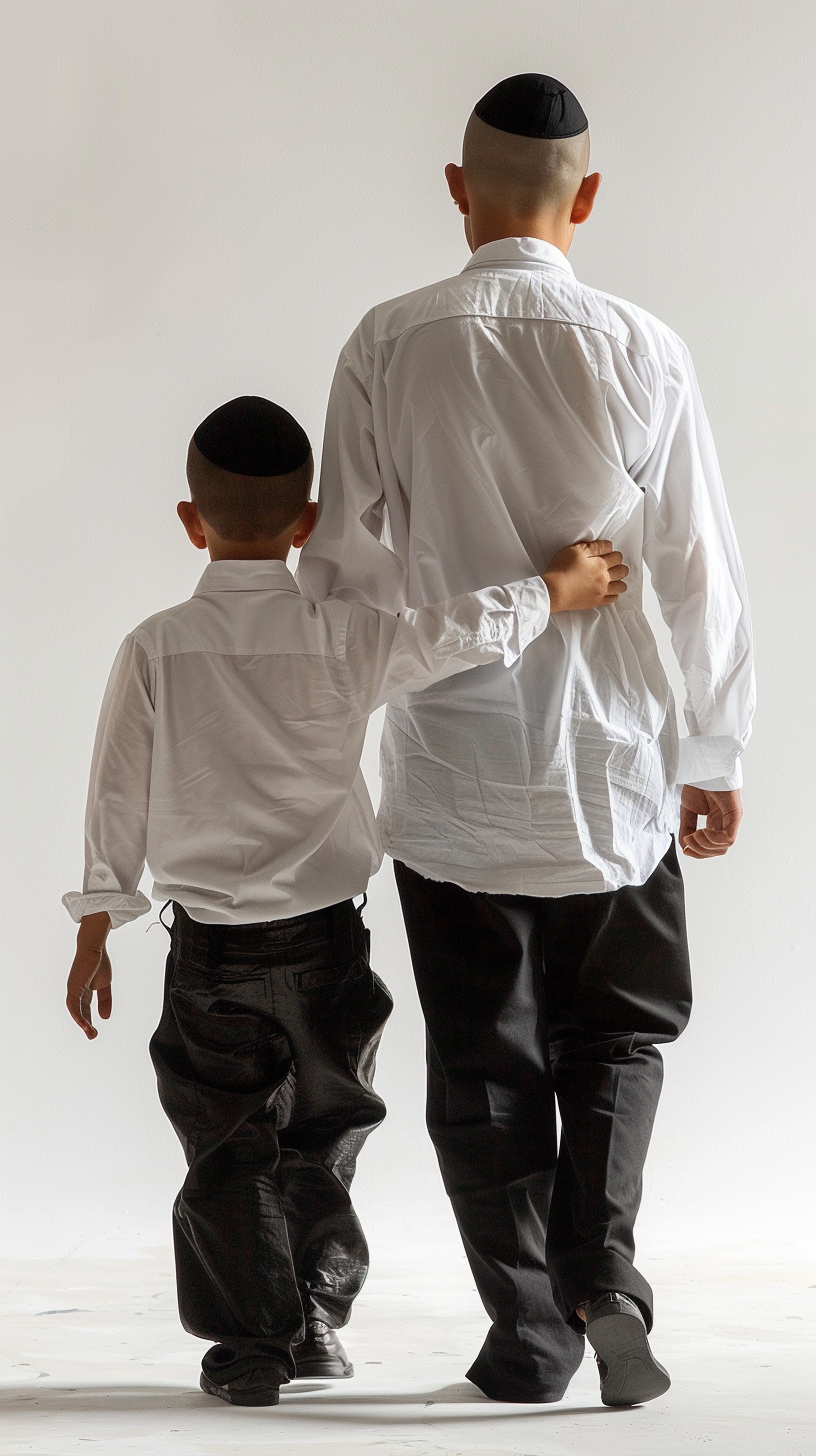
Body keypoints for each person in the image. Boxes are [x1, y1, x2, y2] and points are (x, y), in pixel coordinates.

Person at [297, 73, 755, 1408]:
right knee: (616, 1038)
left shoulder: (388, 341)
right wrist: (713, 755)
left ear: (457, 189)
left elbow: (334, 568)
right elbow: (698, 574)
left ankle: (528, 1337)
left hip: (449, 773)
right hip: (611, 769)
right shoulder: (644, 347)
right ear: (588, 198)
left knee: (485, 1060)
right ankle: (603, 1274)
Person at [63, 393, 628, 1408]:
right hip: (325, 948)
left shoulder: (154, 648)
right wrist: (559, 584)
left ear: (191, 521)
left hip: (209, 958)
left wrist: (99, 921)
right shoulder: (346, 636)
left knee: (227, 1145)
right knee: (323, 1132)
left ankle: (249, 1349)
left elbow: (116, 789)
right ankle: (316, 1314)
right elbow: (460, 628)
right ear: (308, 521)